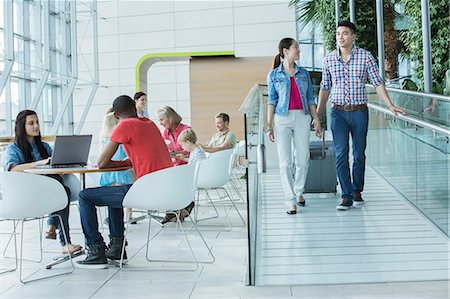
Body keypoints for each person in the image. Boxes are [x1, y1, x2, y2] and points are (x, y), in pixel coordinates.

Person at [316, 20, 406, 211]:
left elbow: (377, 82)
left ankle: (357, 190)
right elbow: (325, 88)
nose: (341, 37)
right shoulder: (329, 59)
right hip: (337, 113)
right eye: (338, 33)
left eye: (345, 33)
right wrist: (317, 114)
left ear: (353, 36)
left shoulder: (365, 57)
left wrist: (390, 105)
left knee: (358, 154)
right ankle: (346, 195)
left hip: (359, 112)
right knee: (340, 154)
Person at [76, 95, 172, 269]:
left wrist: (122, 162)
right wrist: (127, 162)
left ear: (116, 115)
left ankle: (96, 250)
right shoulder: (149, 123)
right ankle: (117, 248)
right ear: (135, 108)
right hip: (163, 188)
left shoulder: (124, 125)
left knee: (84, 196)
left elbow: (102, 162)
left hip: (146, 191)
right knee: (115, 191)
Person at [4, 110, 82, 254]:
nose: (36, 126)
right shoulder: (13, 149)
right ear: (22, 126)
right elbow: (13, 170)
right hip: (27, 194)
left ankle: (54, 228)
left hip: (47, 191)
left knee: (62, 189)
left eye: (37, 122)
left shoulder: (44, 146)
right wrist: (41, 163)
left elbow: (54, 163)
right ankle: (62, 238)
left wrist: (61, 166)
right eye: (31, 123)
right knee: (62, 191)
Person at [266, 38, 322, 215]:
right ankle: (290, 199)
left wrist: (317, 119)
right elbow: (272, 100)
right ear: (285, 51)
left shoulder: (303, 73)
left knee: (303, 158)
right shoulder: (274, 75)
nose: (299, 50)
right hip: (282, 118)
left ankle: (299, 191)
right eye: (296, 47)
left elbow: (311, 99)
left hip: (302, 117)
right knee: (285, 161)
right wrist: (270, 125)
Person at [159, 128, 203, 224]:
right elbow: (195, 163)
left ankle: (174, 212)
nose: (183, 148)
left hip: (192, 179)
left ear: (188, 142)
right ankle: (177, 211)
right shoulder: (196, 151)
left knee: (172, 186)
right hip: (191, 177)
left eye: (183, 144)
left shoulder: (197, 152)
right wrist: (185, 159)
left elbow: (199, 166)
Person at [98, 108, 135, 223]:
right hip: (123, 171)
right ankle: (128, 216)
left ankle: (114, 217)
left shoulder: (104, 140)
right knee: (124, 195)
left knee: (113, 195)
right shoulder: (120, 140)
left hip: (109, 172)